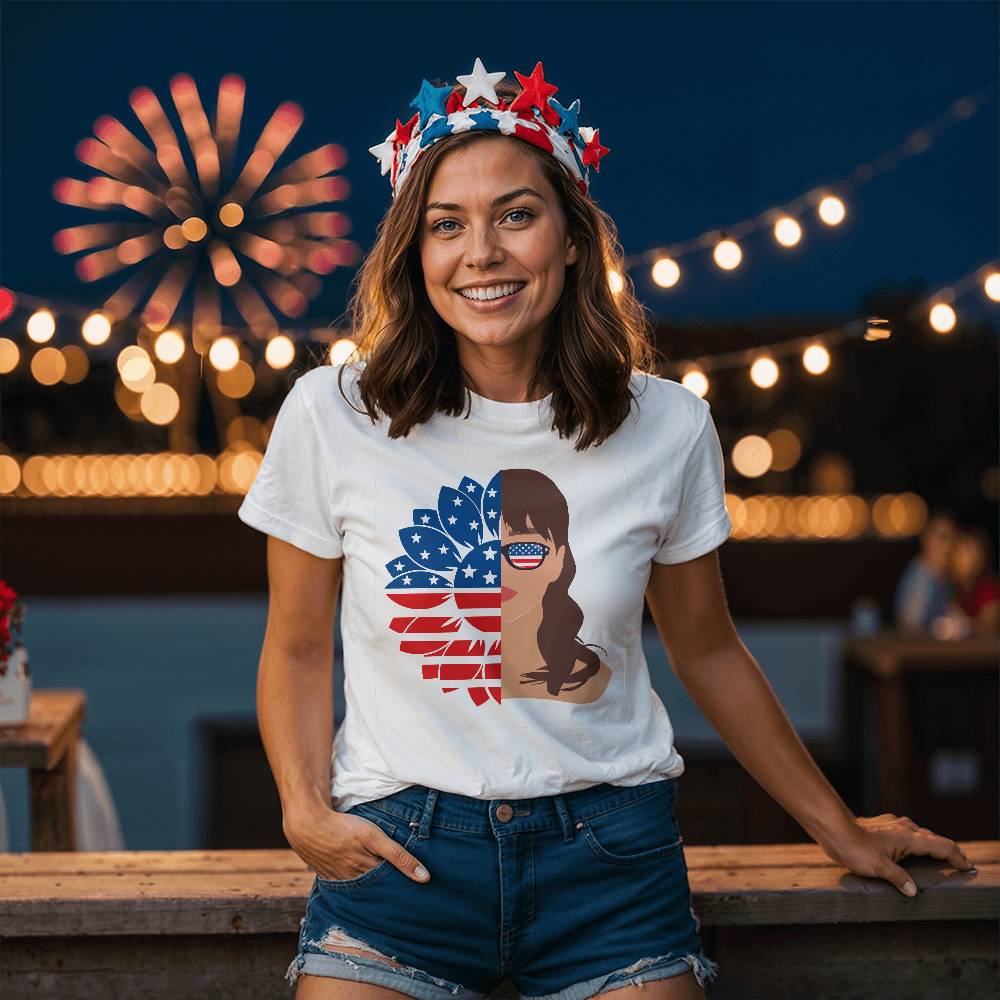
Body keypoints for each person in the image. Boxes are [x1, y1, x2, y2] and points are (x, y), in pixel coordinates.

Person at [238, 58, 976, 1000]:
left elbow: (709, 649)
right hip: (398, 858)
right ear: (413, 254)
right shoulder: (332, 413)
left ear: (573, 237)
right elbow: (297, 647)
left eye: (516, 214)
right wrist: (303, 809)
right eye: (445, 225)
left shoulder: (669, 426)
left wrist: (839, 828)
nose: (482, 254)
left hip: (610, 863)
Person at [893, 511, 960, 635]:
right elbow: (910, 627)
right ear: (925, 538)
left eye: (951, 538)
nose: (947, 544)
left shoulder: (944, 576)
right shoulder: (920, 576)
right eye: (942, 537)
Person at [950, 526, 1000, 636]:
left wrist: (964, 625)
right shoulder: (954, 588)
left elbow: (989, 631)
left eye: (969, 553)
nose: (962, 558)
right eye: (959, 551)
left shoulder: (989, 589)